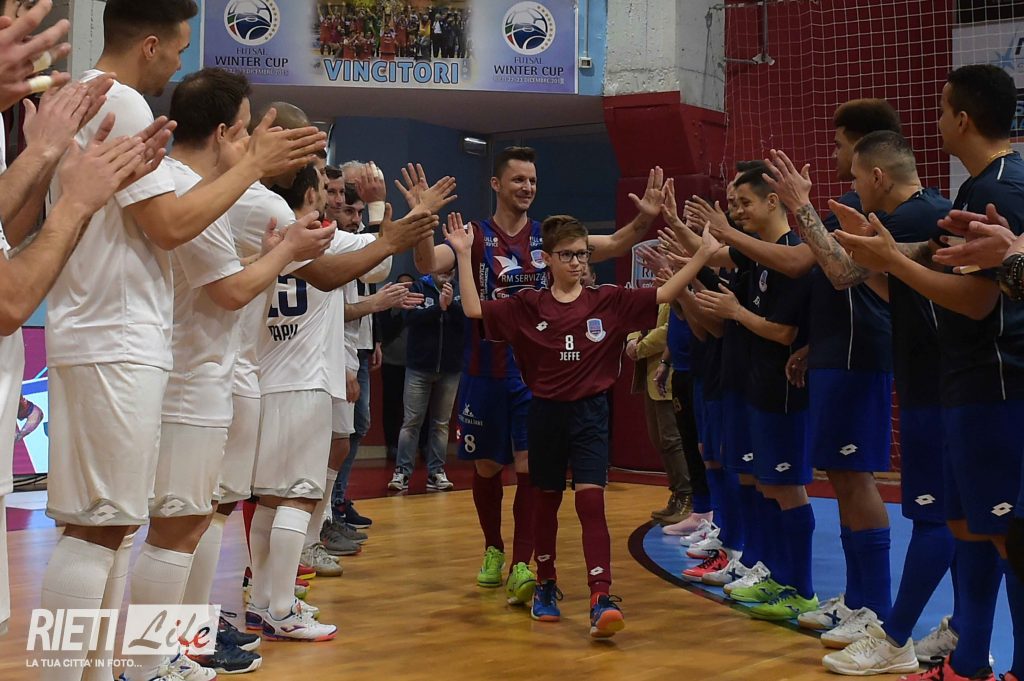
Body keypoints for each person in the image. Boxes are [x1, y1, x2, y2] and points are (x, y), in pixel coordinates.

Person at [39, 2, 326, 678]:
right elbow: (173, 227)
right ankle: (121, 665)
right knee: (103, 527)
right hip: (117, 338)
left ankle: (108, 667)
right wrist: (255, 171)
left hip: (104, 333)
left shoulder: (88, 96)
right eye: (176, 47)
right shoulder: (121, 103)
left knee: (108, 527)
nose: (176, 63)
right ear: (149, 44)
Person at [411, 149, 666, 608]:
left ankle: (524, 563)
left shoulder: (550, 238)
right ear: (496, 184)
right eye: (518, 179)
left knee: (531, 468)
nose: (527, 187)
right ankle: (494, 546)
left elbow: (617, 242)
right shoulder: (475, 235)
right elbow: (429, 263)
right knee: (487, 467)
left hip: (536, 376)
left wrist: (646, 217)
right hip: (485, 370)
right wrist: (421, 219)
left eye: (532, 180)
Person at [835, 63, 1024, 681]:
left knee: (1007, 535)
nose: (936, 122)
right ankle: (968, 662)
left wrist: (890, 260)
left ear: (962, 119)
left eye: (942, 110)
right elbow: (952, 269)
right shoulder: (980, 188)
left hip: (997, 384)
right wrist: (889, 258)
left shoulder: (1001, 189)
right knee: (972, 526)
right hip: (968, 384)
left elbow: (978, 301)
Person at [447, 210, 720, 638]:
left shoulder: (608, 300)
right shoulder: (527, 306)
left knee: (591, 504)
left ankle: (601, 596)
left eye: (582, 254)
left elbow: (667, 291)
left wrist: (702, 254)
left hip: (590, 416)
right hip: (545, 415)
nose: (577, 262)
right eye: (567, 255)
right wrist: (464, 255)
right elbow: (472, 308)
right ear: (547, 259)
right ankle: (545, 585)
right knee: (546, 503)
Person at [687, 101, 900, 641]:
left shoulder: (878, 213)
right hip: (828, 360)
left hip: (859, 362)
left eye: (839, 145)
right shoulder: (844, 210)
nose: (834, 155)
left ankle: (871, 609)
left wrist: (731, 232)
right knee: (840, 483)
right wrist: (812, 344)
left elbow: (808, 265)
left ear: (865, 148)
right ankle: (853, 600)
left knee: (857, 484)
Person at [788, 132, 956, 674]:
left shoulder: (912, 217)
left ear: (878, 176)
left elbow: (842, 274)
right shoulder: (923, 213)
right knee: (961, 520)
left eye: (858, 177)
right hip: (934, 382)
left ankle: (894, 634)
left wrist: (800, 207)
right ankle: (960, 633)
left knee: (942, 516)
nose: (854, 187)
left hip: (943, 387)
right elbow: (892, 289)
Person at [695, 168, 817, 621]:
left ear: (772, 201)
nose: (737, 211)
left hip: (784, 390)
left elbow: (785, 332)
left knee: (787, 487)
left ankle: (801, 588)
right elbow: (715, 257)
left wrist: (736, 311)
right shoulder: (759, 256)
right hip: (756, 386)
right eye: (734, 204)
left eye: (744, 202)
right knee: (767, 484)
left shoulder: (790, 254)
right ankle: (774, 573)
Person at [388, 267, 465, 492]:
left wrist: (450, 305)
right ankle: (402, 473)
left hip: (450, 368)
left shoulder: (461, 290)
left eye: (449, 268)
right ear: (432, 268)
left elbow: (468, 321)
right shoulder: (418, 287)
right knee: (411, 421)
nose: (445, 272)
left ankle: (436, 473)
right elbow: (410, 318)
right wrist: (438, 308)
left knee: (441, 424)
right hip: (419, 367)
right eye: (440, 267)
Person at [626, 304, 692, 525]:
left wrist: (642, 346)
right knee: (659, 439)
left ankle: (688, 496)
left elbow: (671, 329)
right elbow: (637, 315)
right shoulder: (656, 291)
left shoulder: (678, 291)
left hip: (669, 373)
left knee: (672, 440)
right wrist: (631, 340)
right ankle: (676, 494)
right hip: (651, 374)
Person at [378, 272, 418, 461]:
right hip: (391, 362)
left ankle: (420, 446)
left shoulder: (421, 303)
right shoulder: (387, 306)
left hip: (417, 364)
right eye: (402, 285)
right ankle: (392, 445)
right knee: (392, 407)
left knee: (417, 409)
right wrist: (399, 310)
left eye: (409, 286)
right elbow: (384, 330)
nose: (405, 289)